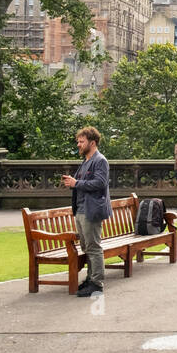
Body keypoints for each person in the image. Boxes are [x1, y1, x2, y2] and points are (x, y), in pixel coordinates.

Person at [61, 126, 111, 297]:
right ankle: (90, 279)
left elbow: (100, 183)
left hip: (91, 210)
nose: (78, 145)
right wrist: (72, 183)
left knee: (93, 247)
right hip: (81, 209)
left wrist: (77, 184)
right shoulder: (85, 161)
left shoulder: (100, 160)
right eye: (78, 142)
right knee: (86, 247)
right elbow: (81, 183)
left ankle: (97, 283)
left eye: (81, 142)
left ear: (93, 142)